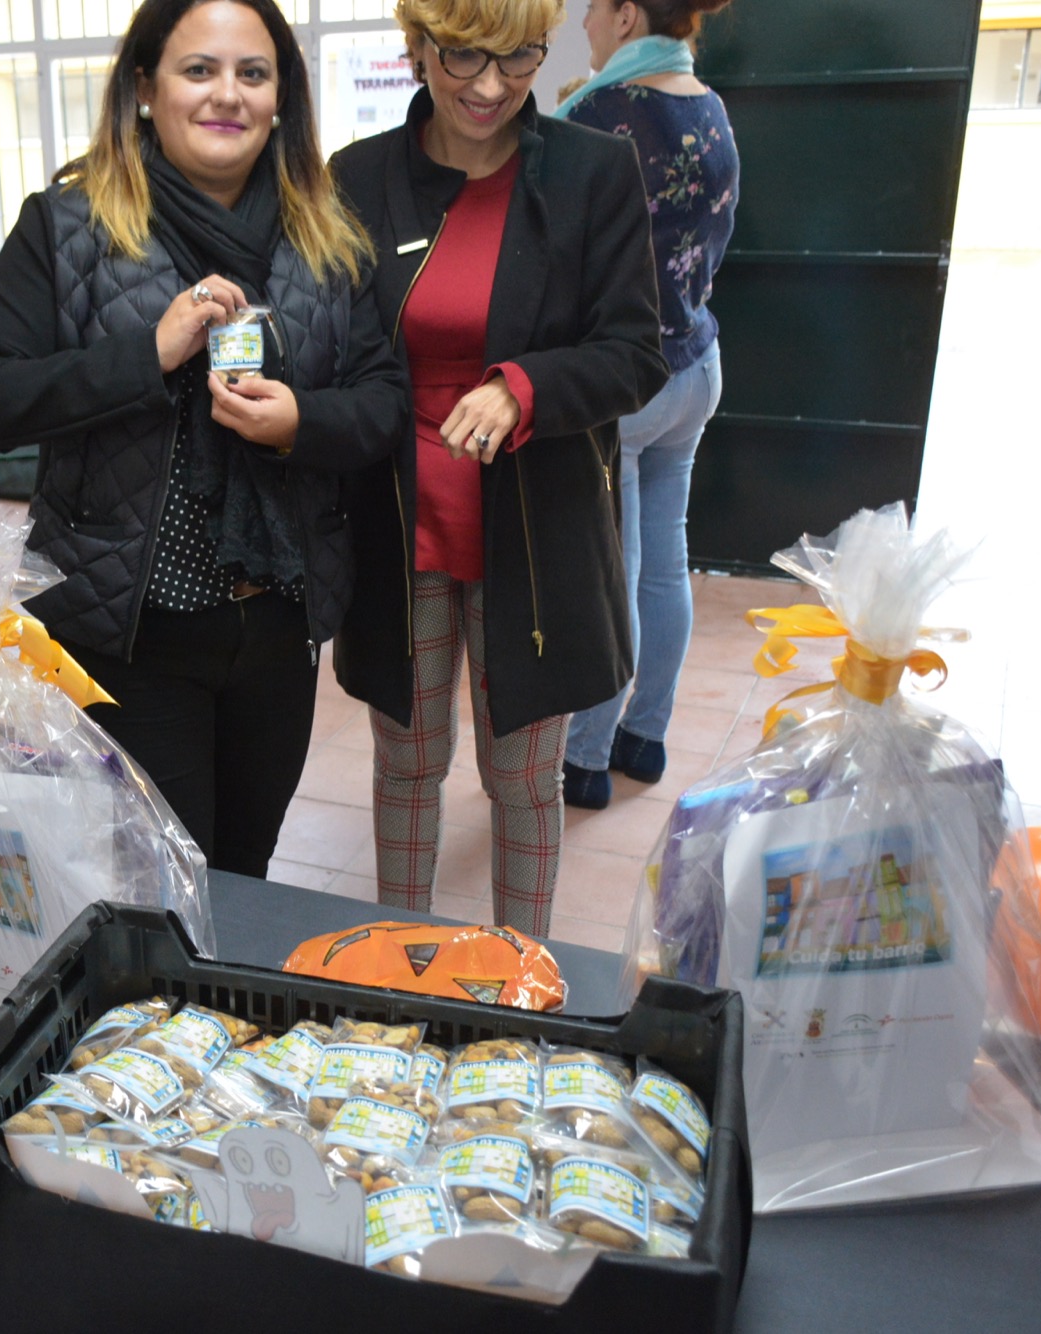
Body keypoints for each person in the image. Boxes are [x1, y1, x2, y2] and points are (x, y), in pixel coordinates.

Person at [0, 0, 410, 878]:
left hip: (278, 629)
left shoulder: (329, 238)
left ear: (282, 97)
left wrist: (300, 423)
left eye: (253, 73)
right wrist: (147, 355)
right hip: (132, 632)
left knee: (244, 869)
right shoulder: (65, 226)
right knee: (163, 879)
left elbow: (383, 401)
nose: (226, 95)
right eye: (198, 70)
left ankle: (216, 1023)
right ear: (143, 89)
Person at [330, 0, 667, 935]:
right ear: (416, 46)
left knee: (521, 778)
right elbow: (333, 343)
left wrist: (524, 387)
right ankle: (398, 966)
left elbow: (636, 353)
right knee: (406, 760)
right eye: (461, 56)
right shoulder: (360, 180)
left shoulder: (592, 173)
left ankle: (521, 985)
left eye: (517, 57)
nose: (488, 87)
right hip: (404, 529)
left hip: (534, 529)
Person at [558, 0, 739, 809]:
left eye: (593, 6)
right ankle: (646, 737)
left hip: (624, 386)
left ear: (627, 15)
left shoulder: (598, 115)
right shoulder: (708, 105)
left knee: (613, 576)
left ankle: (587, 758)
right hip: (696, 365)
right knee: (665, 560)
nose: (586, 20)